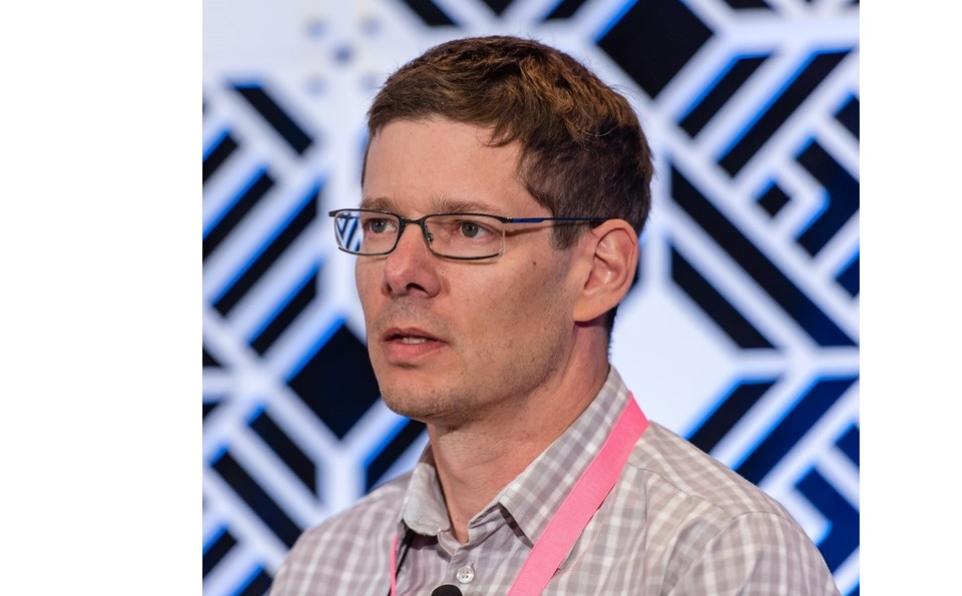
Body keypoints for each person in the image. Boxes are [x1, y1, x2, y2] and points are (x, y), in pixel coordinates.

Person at [271, 35, 839, 595]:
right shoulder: (324, 566)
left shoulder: (719, 557)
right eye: (380, 225)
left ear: (600, 271)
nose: (400, 270)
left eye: (470, 229)